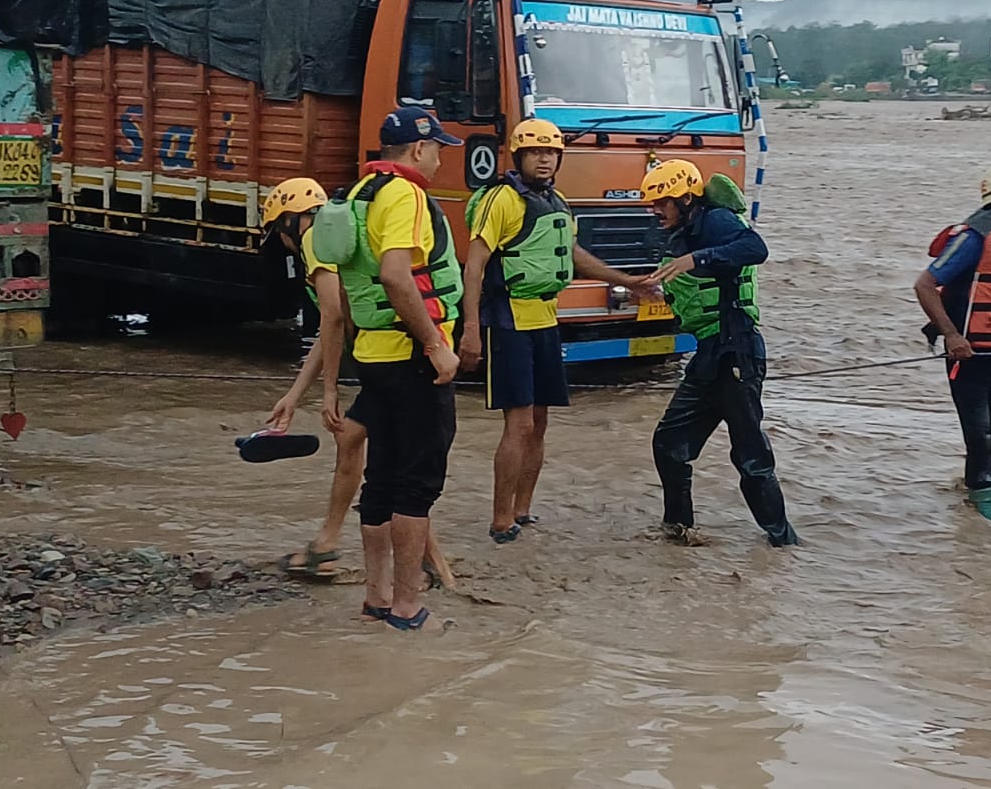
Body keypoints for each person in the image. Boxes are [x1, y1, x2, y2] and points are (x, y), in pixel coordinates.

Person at [458, 118, 648, 545]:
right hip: (509, 322)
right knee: (520, 423)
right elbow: (474, 266)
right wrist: (471, 329)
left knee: (539, 423)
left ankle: (523, 509)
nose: (543, 159)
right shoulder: (501, 200)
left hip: (546, 320)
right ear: (519, 156)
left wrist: (628, 281)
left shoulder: (558, 202)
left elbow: (574, 255)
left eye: (550, 152)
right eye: (535, 152)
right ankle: (500, 518)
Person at [260, 178, 452, 594]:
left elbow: (332, 317)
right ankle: (343, 547)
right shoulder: (338, 234)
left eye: (280, 234)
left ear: (292, 223)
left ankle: (366, 558)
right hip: (381, 356)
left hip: (387, 360)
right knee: (360, 444)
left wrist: (328, 390)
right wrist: (295, 396)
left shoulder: (316, 244)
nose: (285, 246)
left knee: (395, 463)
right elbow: (332, 326)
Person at [324, 106, 464, 632]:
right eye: (437, 149)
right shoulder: (404, 194)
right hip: (411, 358)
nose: (439, 159)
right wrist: (435, 345)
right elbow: (396, 277)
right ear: (417, 150)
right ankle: (408, 608)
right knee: (418, 483)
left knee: (380, 479)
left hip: (376, 357)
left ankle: (377, 599)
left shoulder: (361, 194)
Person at [642, 159, 798, 547]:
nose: (656, 211)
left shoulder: (715, 222)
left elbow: (755, 248)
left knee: (749, 454)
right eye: (653, 204)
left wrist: (697, 259)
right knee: (669, 442)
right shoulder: (684, 234)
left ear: (686, 197)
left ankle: (782, 543)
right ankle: (678, 532)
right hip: (711, 357)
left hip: (738, 354)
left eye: (662, 202)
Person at [913, 162, 991, 521]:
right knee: (979, 437)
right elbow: (924, 285)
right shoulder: (972, 239)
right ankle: (982, 514)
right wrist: (950, 334)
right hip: (969, 357)